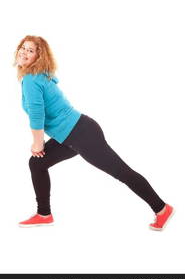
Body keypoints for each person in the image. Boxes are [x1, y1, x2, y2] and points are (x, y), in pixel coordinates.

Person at [14, 35, 174, 230]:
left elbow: (37, 115)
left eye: (30, 50)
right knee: (37, 163)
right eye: (23, 47)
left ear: (39, 57)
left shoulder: (32, 79)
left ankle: (162, 208)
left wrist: (37, 143)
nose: (24, 51)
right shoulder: (36, 75)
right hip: (73, 133)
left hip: (81, 135)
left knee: (121, 172)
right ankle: (44, 214)